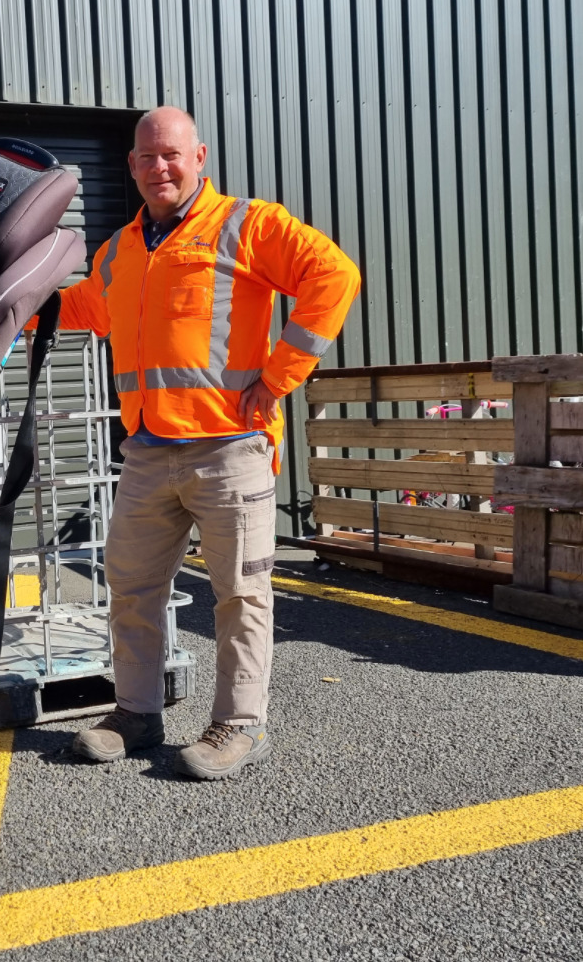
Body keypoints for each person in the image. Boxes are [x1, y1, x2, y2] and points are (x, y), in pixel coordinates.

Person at [63, 106, 360, 781]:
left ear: (200, 157)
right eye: (145, 157)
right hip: (145, 449)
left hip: (229, 448)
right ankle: (136, 715)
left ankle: (240, 725)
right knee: (131, 587)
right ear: (132, 166)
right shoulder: (120, 250)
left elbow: (333, 277)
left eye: (171, 154)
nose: (158, 167)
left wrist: (279, 377)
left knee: (239, 594)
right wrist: (10, 306)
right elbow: (86, 309)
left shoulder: (246, 225)